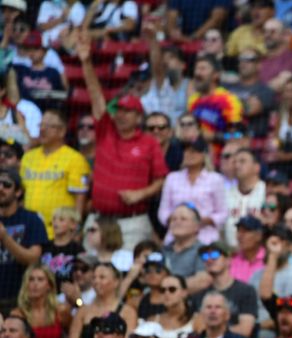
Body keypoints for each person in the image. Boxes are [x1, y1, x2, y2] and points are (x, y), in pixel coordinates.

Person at [76, 30, 167, 250]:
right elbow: (96, 96)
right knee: (89, 274)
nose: (121, 114)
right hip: (98, 220)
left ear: (138, 117)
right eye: (119, 110)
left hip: (133, 222)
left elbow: (161, 179)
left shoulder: (149, 142)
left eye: (128, 111)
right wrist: (86, 62)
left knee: (126, 272)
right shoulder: (106, 131)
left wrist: (140, 194)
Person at [20, 108, 89, 238]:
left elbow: (80, 198)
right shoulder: (28, 157)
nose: (42, 129)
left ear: (62, 131)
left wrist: (76, 229)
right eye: (41, 125)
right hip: (28, 230)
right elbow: (22, 193)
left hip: (58, 234)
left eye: (49, 126)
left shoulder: (74, 158)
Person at [157, 138, 227, 245]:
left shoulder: (215, 179)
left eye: (194, 151)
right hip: (176, 236)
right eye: (187, 151)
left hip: (206, 237)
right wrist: (179, 220)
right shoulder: (172, 178)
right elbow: (163, 212)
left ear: (204, 155)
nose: (190, 154)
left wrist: (202, 220)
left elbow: (223, 212)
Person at [0, 167, 47, 314]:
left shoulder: (31, 220)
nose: (0, 188)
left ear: (18, 192)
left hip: (20, 299)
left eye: (7, 185)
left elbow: (33, 258)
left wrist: (5, 238)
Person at [13, 264, 65, 338]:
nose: (35, 284)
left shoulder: (61, 311)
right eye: (31, 279)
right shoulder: (18, 314)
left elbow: (68, 337)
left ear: (49, 285)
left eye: (40, 279)